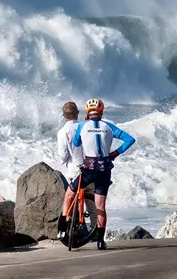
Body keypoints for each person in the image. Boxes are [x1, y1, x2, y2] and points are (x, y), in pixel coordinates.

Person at [59, 98, 136, 250]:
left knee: (69, 195)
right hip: (104, 171)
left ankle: (62, 228)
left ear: (87, 112)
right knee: (100, 206)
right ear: (101, 111)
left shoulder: (82, 126)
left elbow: (76, 144)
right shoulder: (108, 126)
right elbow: (130, 140)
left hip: (88, 171)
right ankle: (101, 241)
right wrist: (114, 153)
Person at [57, 102, 84, 189]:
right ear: (78, 113)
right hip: (91, 169)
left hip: (74, 172)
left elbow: (63, 156)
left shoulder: (63, 131)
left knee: (71, 200)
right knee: (92, 201)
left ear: (64, 115)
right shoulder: (86, 127)